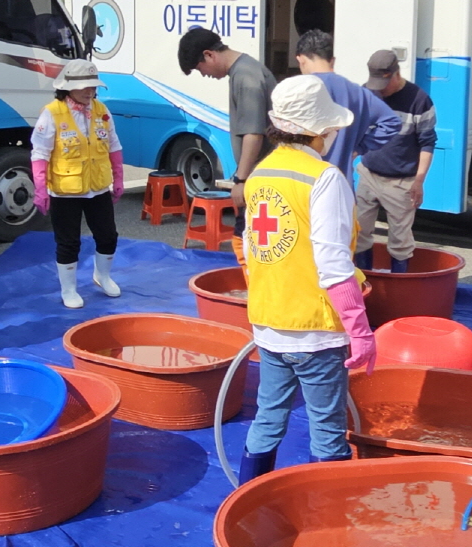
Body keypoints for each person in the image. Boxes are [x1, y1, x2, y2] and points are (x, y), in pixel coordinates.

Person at [238, 75, 378, 480]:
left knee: (268, 419)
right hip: (315, 331)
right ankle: (325, 521)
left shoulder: (261, 174)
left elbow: (253, 251)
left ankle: (246, 504)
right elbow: (333, 265)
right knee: (328, 432)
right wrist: (361, 331)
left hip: (268, 324)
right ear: (321, 131)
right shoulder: (325, 179)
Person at [31, 60, 124, 308]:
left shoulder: (101, 110)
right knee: (68, 241)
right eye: (85, 86)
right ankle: (69, 289)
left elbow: (113, 144)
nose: (90, 91)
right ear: (68, 87)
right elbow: (39, 153)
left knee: (107, 236)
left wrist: (118, 177)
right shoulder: (52, 113)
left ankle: (102, 276)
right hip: (65, 191)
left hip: (98, 187)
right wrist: (41, 189)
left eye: (93, 86)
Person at [178, 27, 277, 260]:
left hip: (260, 175)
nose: (204, 74)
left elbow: (253, 133)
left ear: (209, 55)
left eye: (199, 68)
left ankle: (253, 290)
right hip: (261, 173)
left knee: (245, 241)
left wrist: (241, 180)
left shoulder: (245, 76)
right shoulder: (244, 70)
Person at [354, 50, 436, 273]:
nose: (379, 89)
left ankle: (398, 286)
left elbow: (427, 143)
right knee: (359, 231)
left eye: (384, 84)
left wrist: (419, 181)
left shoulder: (420, 100)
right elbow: (358, 129)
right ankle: (365, 281)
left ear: (396, 75)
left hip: (401, 181)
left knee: (400, 241)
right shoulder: (367, 92)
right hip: (369, 173)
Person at [293, 29, 401, 176]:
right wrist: (359, 148)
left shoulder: (298, 90)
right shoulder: (357, 92)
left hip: (304, 181)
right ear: (332, 60)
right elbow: (392, 122)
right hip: (341, 183)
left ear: (301, 60)